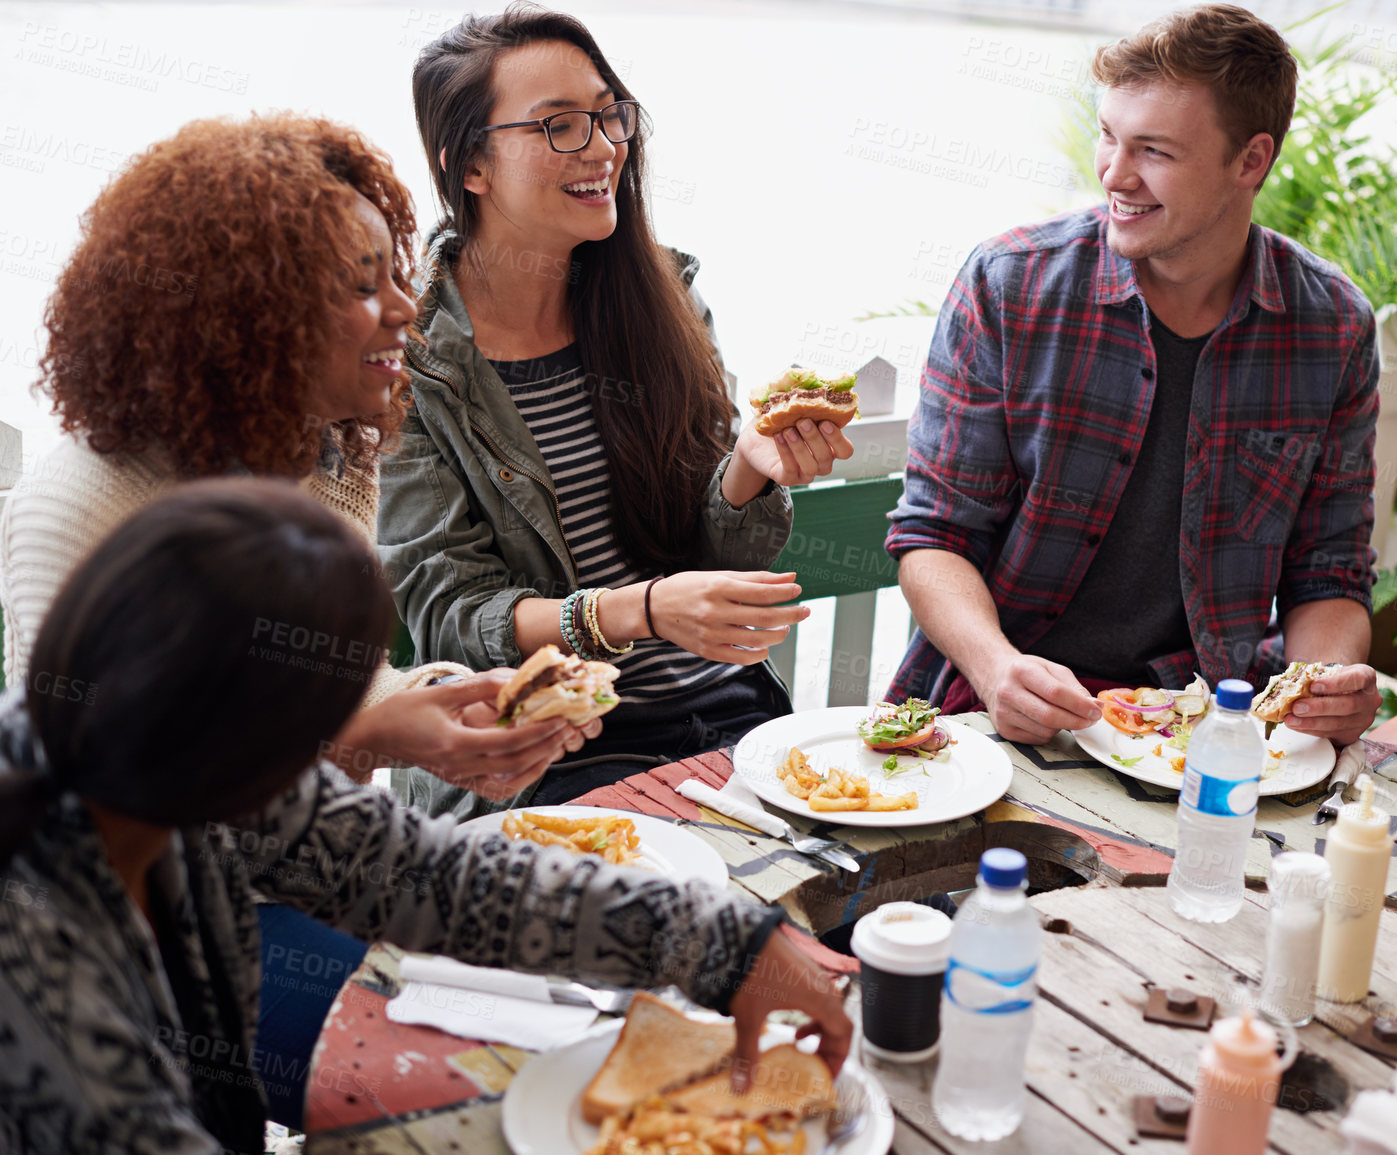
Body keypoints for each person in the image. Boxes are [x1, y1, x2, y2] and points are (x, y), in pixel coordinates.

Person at [0, 479, 851, 1155]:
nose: (328, 763)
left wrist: (728, 945)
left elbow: (438, 878)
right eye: (315, 733)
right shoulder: (38, 940)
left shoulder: (164, 764)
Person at [0, 111, 586, 800]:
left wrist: (451, 696)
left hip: (329, 857)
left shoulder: (330, 453)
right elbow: (112, 806)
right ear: (243, 313)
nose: (408, 306)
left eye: (393, 275)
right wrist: (368, 739)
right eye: (360, 286)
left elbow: (340, 686)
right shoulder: (80, 507)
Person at [380, 3, 853, 812]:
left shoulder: (663, 296)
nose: (602, 146)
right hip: (549, 753)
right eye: (558, 125)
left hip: (727, 719)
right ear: (469, 166)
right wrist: (635, 611)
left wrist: (744, 471)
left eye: (607, 114)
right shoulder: (411, 356)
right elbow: (453, 617)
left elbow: (715, 559)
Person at [885, 4, 1382, 746]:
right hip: (1001, 705)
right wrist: (996, 668)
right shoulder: (1008, 284)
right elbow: (935, 535)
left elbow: (1327, 575)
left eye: (1153, 150)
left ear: (1250, 160)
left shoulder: (1332, 324)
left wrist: (1323, 687)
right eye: (1109, 136)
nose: (1114, 174)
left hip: (1205, 723)